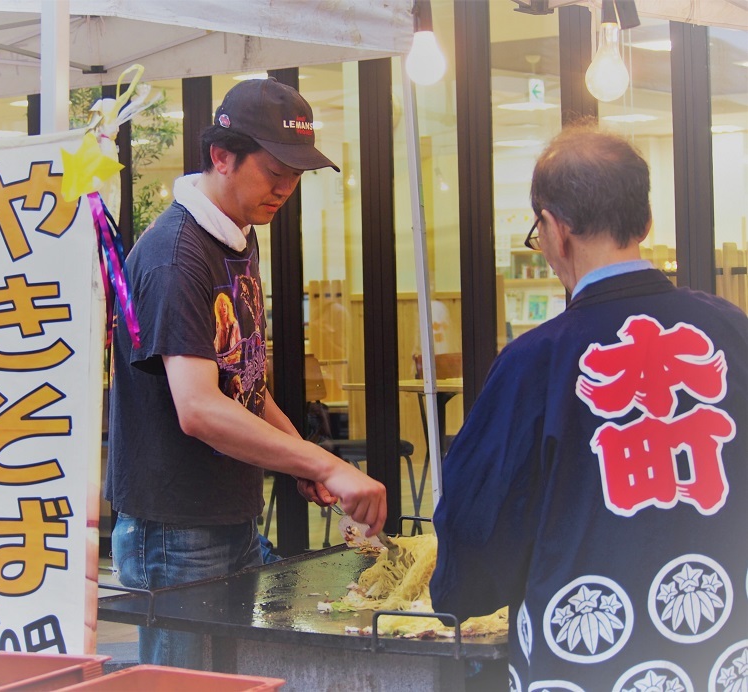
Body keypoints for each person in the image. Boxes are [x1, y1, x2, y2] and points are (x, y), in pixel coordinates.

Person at [429, 124, 747, 691]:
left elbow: (479, 518)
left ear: (554, 228)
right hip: (726, 651)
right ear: (646, 222)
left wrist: (464, 593)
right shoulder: (733, 331)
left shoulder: (537, 361)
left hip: (585, 658)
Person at [106, 77, 387, 670]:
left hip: (227, 512)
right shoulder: (177, 254)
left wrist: (296, 450)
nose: (286, 188)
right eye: (275, 169)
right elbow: (200, 407)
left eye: (297, 174)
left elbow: (244, 381)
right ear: (221, 156)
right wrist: (325, 463)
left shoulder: (236, 238)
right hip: (175, 528)